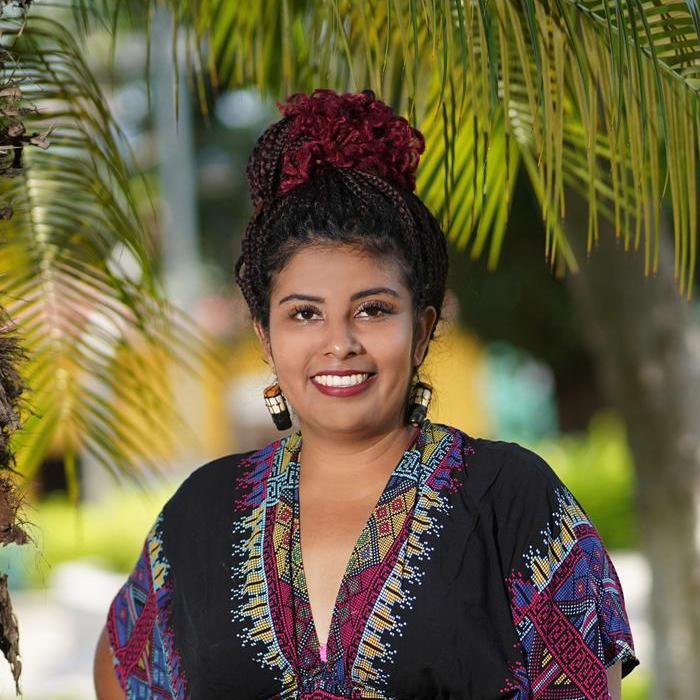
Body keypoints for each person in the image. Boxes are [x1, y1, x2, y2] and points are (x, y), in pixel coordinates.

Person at [93, 88, 638, 700]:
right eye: (303, 315)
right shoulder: (203, 512)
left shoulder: (510, 501)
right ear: (266, 339)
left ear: (423, 328)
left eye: (373, 310)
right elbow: (122, 662)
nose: (339, 343)